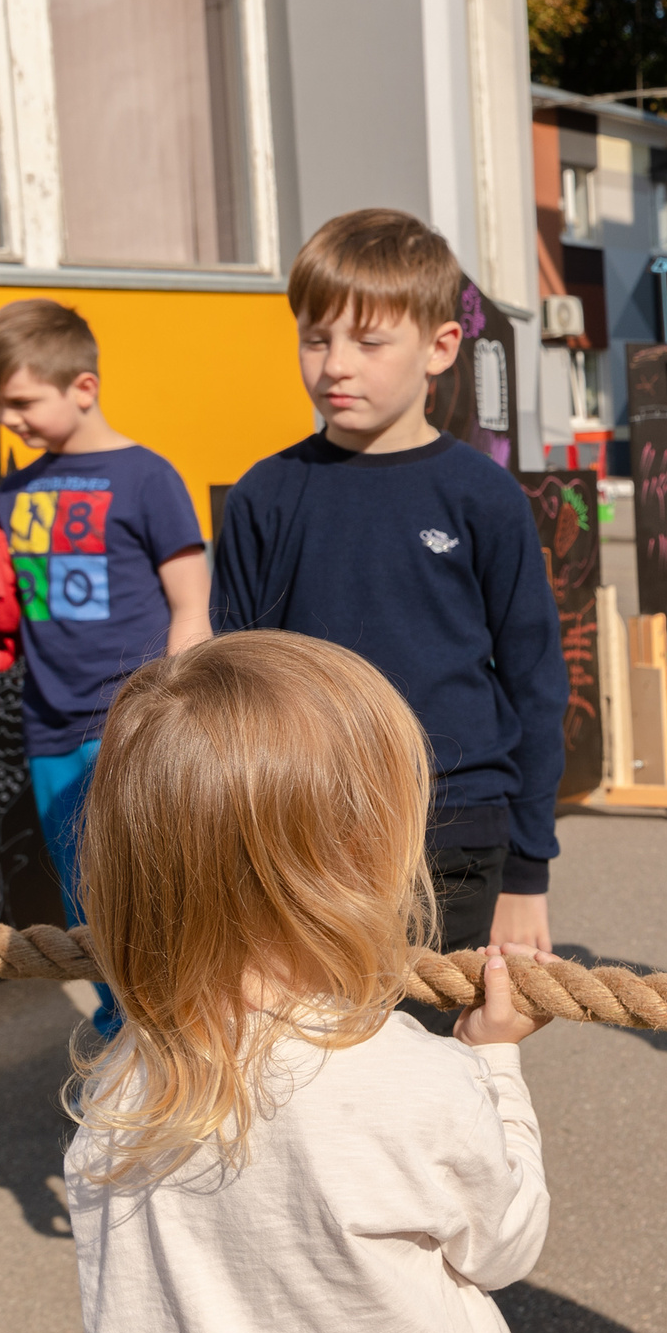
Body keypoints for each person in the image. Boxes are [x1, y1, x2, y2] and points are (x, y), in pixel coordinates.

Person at [63, 630, 554, 1333]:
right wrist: (495, 1058)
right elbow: (507, 1242)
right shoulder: (411, 1078)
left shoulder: (119, 1088)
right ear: (359, 857)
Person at [211, 210, 567, 998]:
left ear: (439, 347)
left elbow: (536, 684)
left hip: (458, 832)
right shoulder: (264, 497)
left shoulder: (484, 496)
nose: (336, 365)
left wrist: (528, 874)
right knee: (308, 1069)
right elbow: (231, 689)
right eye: (315, 338)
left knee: (440, 1069)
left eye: (369, 343)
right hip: (304, 836)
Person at [0, 299, 208, 1040]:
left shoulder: (147, 477)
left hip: (133, 723)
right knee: (86, 898)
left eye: (20, 402)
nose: (6, 419)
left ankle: (187, 1028)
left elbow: (191, 607)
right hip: (48, 726)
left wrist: (184, 716)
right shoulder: (14, 491)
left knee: (156, 886)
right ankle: (123, 1034)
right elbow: (3, 610)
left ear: (82, 387)